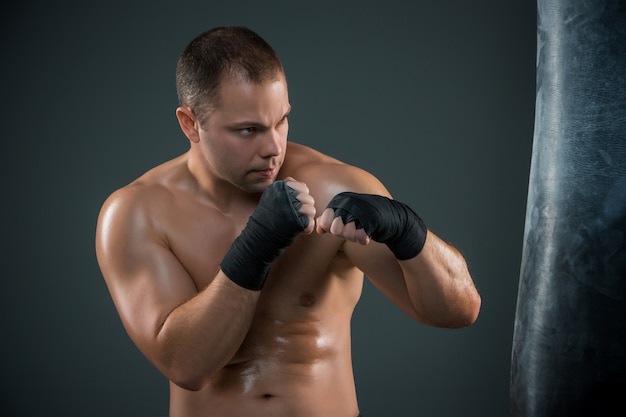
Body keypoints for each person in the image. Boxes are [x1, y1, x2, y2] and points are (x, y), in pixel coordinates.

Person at [95, 26, 481, 417]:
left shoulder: (334, 187)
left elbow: (459, 312)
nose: (273, 148)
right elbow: (185, 365)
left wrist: (408, 232)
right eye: (249, 130)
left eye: (282, 121)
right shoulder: (138, 212)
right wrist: (257, 246)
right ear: (190, 123)